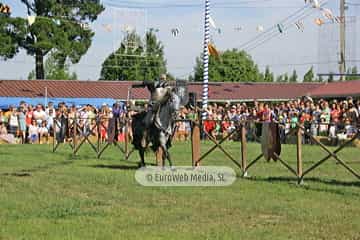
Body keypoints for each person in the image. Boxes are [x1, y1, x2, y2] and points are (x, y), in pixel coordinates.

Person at [139, 74, 172, 146]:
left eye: (164, 78)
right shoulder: (154, 85)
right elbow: (147, 82)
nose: (163, 79)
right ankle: (144, 138)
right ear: (159, 79)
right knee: (148, 121)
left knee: (172, 117)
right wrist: (146, 83)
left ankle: (168, 137)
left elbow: (169, 95)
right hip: (153, 105)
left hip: (163, 106)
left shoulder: (167, 87)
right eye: (162, 78)